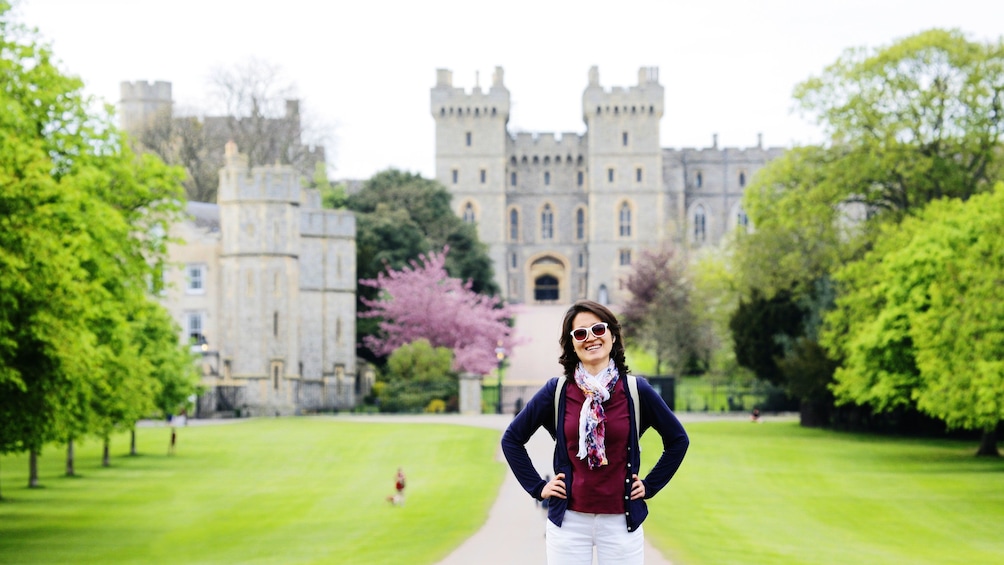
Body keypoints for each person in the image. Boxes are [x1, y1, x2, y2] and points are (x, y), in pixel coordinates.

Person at [501, 300, 690, 565]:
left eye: (598, 329)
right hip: (568, 523)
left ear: (613, 335)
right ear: (572, 344)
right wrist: (539, 487)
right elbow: (512, 440)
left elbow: (678, 440)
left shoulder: (637, 391)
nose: (590, 338)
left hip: (621, 524)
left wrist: (650, 486)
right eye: (580, 333)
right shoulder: (557, 391)